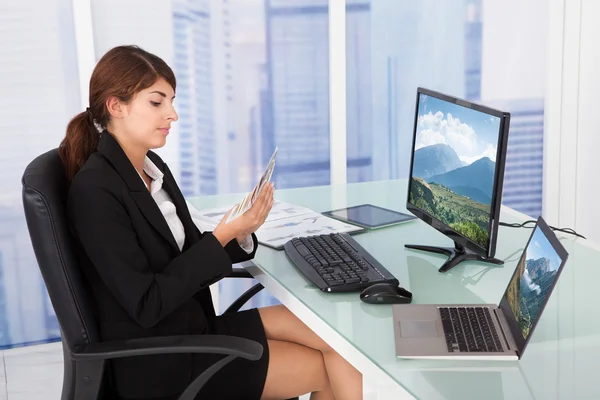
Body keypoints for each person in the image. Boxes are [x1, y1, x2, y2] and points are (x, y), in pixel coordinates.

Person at [59, 45, 362, 400]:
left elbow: (188, 249)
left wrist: (242, 230)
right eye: (157, 102)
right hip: (161, 358)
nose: (172, 114)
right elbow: (146, 304)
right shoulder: (96, 190)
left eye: (172, 101)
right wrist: (222, 235)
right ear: (116, 106)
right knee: (327, 369)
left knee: (342, 341)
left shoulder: (150, 168)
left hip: (192, 326)